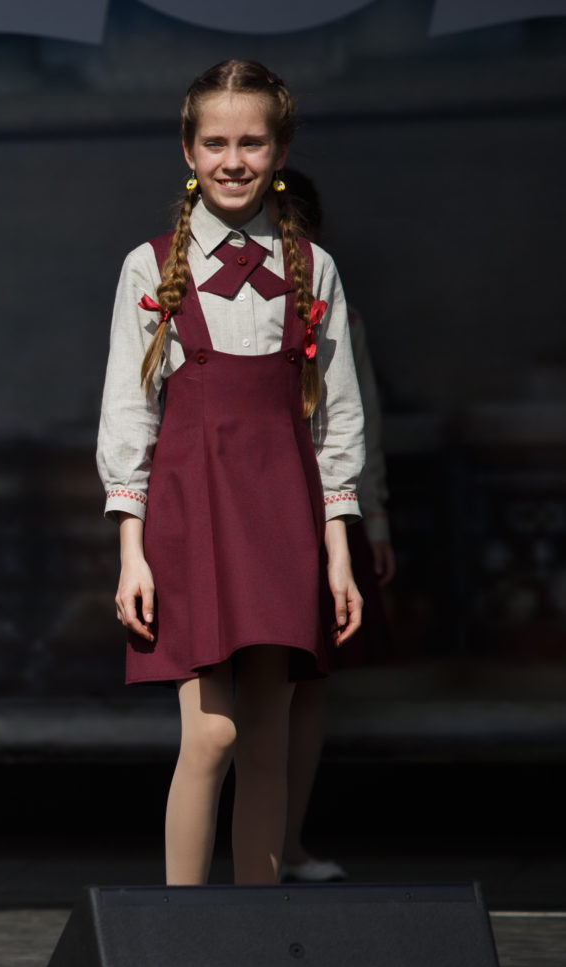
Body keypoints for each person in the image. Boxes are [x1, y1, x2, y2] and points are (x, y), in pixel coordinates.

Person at [96, 60, 365, 886]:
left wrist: (338, 549)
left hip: (281, 513)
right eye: (216, 143)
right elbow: (128, 412)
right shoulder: (149, 266)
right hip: (192, 515)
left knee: (267, 736)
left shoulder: (314, 267)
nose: (234, 160)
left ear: (279, 149)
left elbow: (336, 415)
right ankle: (181, 931)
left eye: (252, 142)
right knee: (212, 733)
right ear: (188, 150)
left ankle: (259, 927)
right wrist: (131, 550)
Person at [276, 168, 396, 884]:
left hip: (323, 507)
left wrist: (370, 517)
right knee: (239, 697)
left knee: (308, 682)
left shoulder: (330, 305)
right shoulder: (194, 290)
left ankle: (286, 845)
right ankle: (252, 853)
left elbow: (356, 418)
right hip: (246, 509)